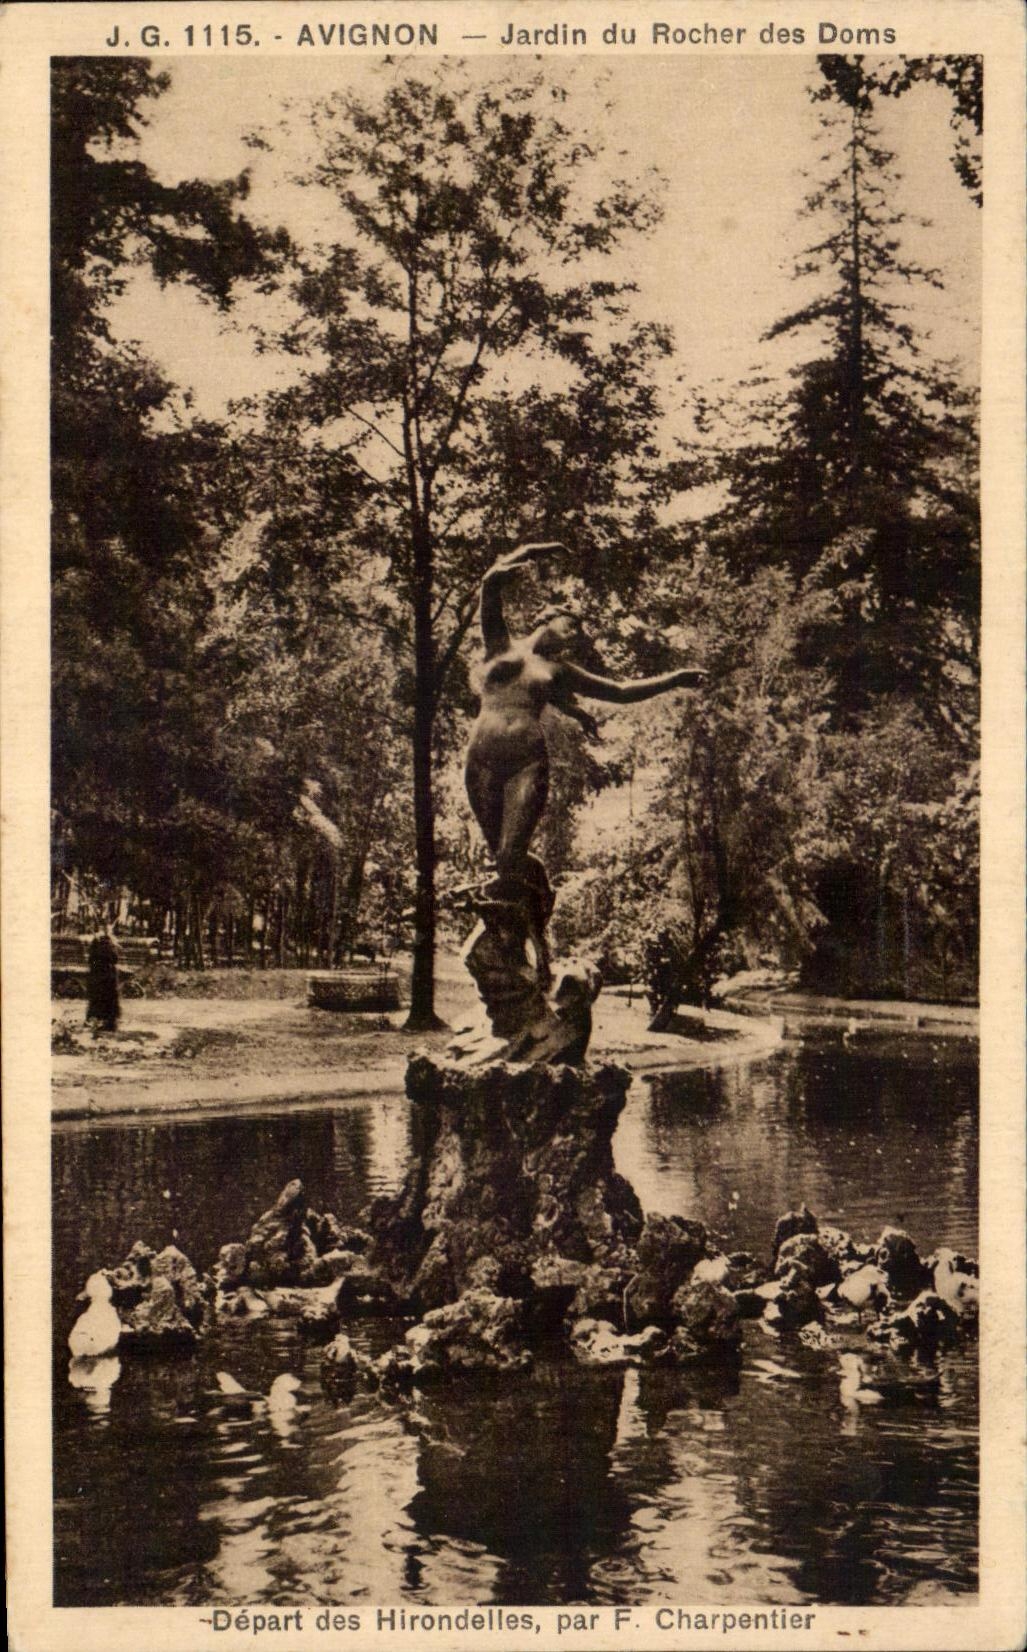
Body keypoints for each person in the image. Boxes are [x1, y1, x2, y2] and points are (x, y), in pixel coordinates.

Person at [464, 542, 706, 896]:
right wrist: (531, 551)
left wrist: (676, 678)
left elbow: (620, 690)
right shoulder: (501, 644)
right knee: (502, 861)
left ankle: (533, 908)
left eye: (578, 631)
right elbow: (490, 583)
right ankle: (523, 920)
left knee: (509, 855)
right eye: (571, 624)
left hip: (526, 762)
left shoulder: (560, 671)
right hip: (480, 760)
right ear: (547, 617)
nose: (575, 634)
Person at [85, 927, 120, 1033]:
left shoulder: (95, 947)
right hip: (108, 978)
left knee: (97, 1000)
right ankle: (109, 1022)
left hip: (98, 977)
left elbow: (90, 960)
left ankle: (96, 1020)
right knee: (108, 1000)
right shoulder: (109, 946)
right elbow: (115, 959)